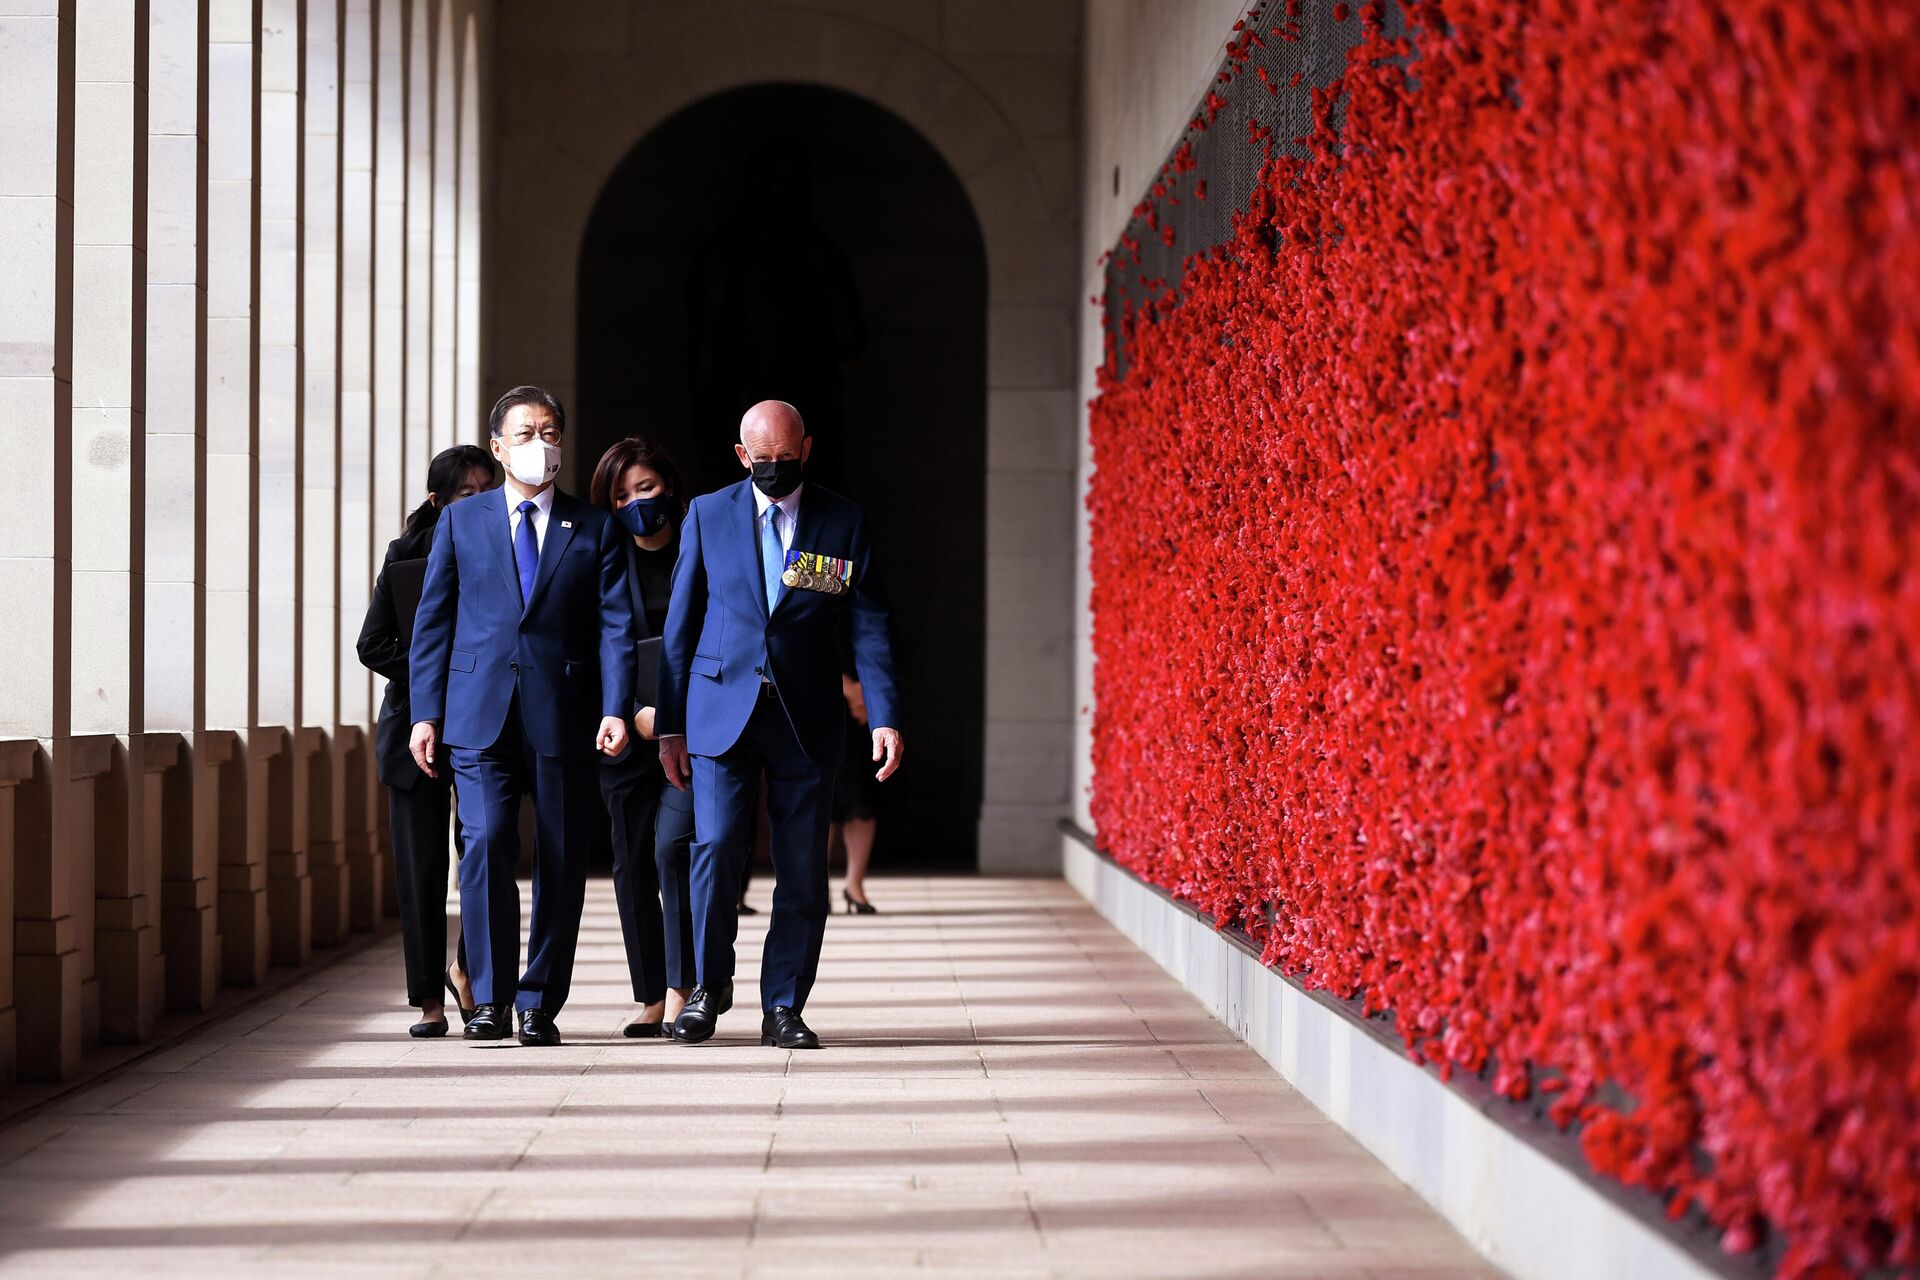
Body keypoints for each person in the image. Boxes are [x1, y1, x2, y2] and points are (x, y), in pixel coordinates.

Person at [657, 399, 903, 1050]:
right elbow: (679, 627)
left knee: (801, 867)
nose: (772, 468)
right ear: (742, 457)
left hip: (807, 714)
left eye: (784, 459)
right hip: (719, 713)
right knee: (713, 851)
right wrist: (671, 726)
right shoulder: (708, 515)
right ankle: (709, 989)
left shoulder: (843, 521)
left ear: (807, 449)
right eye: (760, 460)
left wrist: (883, 714)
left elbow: (869, 623)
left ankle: (784, 1005)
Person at [408, 385, 636, 1047]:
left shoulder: (594, 528)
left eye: (551, 431)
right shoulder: (461, 521)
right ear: (499, 447)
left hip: (565, 712)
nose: (542, 444)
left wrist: (617, 705)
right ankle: (490, 998)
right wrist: (426, 714)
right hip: (479, 715)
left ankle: (539, 1001)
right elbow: (433, 625)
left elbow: (616, 627)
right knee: (483, 847)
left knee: (562, 857)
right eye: (527, 432)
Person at [355, 444, 495, 1036]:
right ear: (438, 501)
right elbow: (372, 644)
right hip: (412, 728)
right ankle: (429, 1003)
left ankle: (471, 976)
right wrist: (436, 669)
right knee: (420, 873)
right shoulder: (406, 554)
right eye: (468, 494)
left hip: (482, 729)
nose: (481, 503)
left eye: (488, 491)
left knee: (485, 856)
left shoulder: (503, 552)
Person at [588, 434, 696, 1037]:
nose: (636, 503)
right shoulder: (606, 556)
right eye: (623, 494)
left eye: (646, 488)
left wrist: (673, 715)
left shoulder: (699, 547)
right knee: (630, 863)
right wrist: (629, 711)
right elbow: (596, 642)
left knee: (672, 851)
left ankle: (684, 986)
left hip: (692, 729)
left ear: (670, 487)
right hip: (623, 731)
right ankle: (651, 994)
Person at [831, 665, 885, 914]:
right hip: (823, 696)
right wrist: (845, 686)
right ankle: (817, 887)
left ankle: (855, 884)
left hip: (869, 693)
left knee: (862, 797)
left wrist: (866, 692)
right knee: (822, 800)